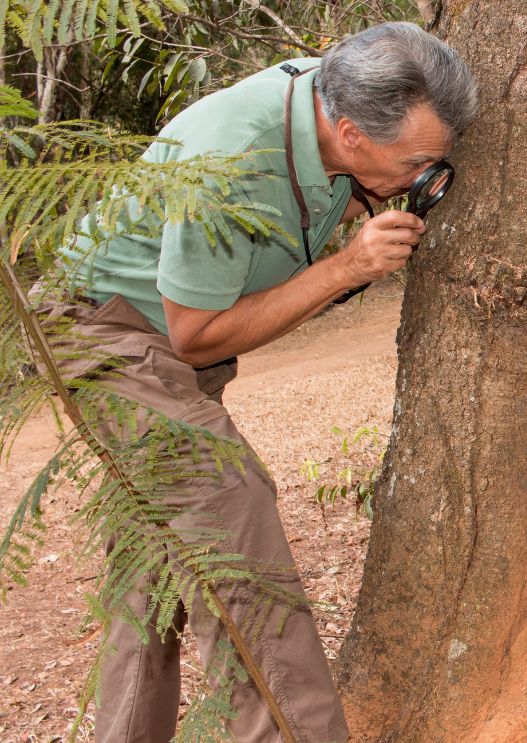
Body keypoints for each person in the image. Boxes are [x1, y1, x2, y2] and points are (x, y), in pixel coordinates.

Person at [42, 21, 477, 743]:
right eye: (416, 165)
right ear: (350, 133)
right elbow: (196, 334)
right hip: (111, 337)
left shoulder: (335, 92)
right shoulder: (232, 160)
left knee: (153, 573)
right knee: (234, 527)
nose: (421, 182)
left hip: (160, 338)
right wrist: (345, 267)